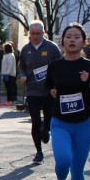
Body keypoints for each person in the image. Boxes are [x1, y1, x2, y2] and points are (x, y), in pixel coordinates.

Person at [45, 23, 90, 180]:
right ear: (62, 41)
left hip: (84, 123)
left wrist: (87, 83)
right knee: (63, 160)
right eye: (68, 36)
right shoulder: (55, 66)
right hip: (60, 122)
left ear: (84, 42)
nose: (72, 40)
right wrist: (51, 92)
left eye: (77, 37)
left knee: (78, 168)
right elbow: (47, 89)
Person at [18, 20, 62, 164]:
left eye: (38, 34)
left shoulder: (52, 48)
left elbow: (61, 64)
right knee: (35, 121)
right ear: (29, 34)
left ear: (43, 33)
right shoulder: (26, 49)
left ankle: (46, 129)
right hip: (32, 91)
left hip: (49, 91)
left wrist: (57, 82)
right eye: (33, 34)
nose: (35, 37)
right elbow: (22, 66)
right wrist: (23, 75)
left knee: (48, 120)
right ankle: (39, 152)